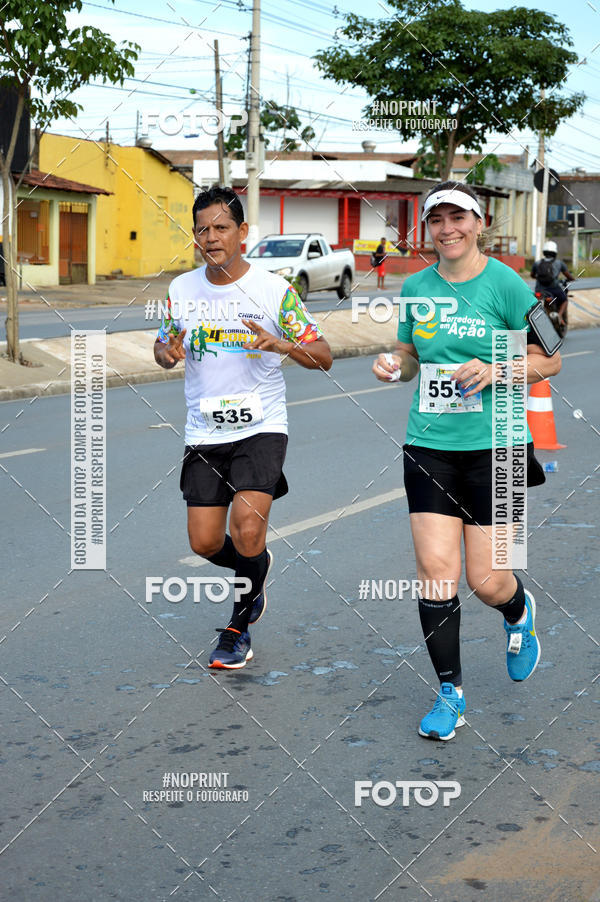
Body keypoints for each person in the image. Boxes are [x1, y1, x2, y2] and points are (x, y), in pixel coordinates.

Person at [372, 181, 561, 741]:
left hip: (497, 448)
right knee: (436, 574)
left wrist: (497, 368)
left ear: (479, 224)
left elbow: (550, 357)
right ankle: (450, 693)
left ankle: (518, 611)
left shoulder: (506, 284)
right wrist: (393, 363)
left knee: (486, 580)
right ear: (427, 229)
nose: (447, 228)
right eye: (437, 220)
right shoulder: (416, 287)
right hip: (429, 444)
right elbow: (409, 354)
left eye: (459, 218)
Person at [154, 186, 332, 669]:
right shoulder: (181, 290)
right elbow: (164, 345)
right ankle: (255, 567)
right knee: (205, 542)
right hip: (204, 432)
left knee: (248, 527)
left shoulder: (275, 290)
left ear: (242, 233)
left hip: (261, 427)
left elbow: (323, 356)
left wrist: (280, 343)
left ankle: (237, 629)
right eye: (202, 229)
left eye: (221, 227)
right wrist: (166, 352)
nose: (210, 238)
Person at [531, 240, 575, 327]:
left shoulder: (537, 263)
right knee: (564, 300)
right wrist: (572, 279)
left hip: (539, 290)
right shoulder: (559, 263)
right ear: (555, 252)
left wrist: (539, 278)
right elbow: (568, 275)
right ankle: (559, 315)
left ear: (544, 252)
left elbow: (532, 275)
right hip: (553, 289)